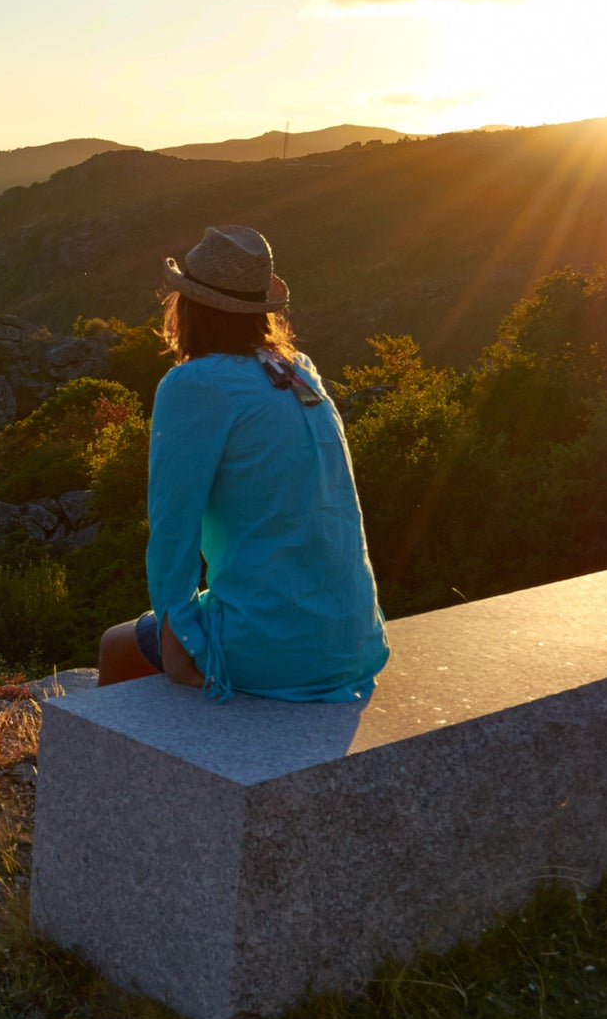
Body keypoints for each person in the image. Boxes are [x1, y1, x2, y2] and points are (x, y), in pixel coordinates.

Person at [96, 224, 390, 701]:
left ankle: (127, 769)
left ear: (188, 307)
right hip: (355, 641)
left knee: (116, 646)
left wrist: (177, 640)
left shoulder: (194, 385)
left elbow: (173, 529)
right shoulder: (299, 371)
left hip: (272, 648)